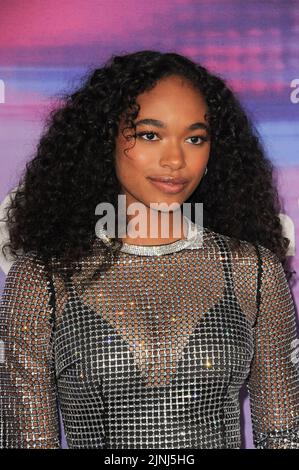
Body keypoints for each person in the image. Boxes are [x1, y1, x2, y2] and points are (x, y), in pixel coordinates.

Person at [0, 50, 298, 449]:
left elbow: (283, 435)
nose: (175, 159)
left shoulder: (252, 270)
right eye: (149, 134)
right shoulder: (42, 278)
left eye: (195, 138)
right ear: (104, 138)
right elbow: (26, 441)